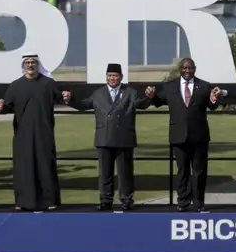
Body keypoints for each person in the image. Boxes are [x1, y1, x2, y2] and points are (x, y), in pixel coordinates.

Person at [63, 63, 148, 211]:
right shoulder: (99, 93)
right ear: (106, 77)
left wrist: (149, 97)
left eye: (115, 76)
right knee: (105, 173)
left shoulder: (130, 92)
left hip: (124, 138)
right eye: (109, 76)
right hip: (104, 137)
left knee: (125, 173)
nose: (112, 78)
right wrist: (70, 99)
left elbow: (141, 104)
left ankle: (126, 200)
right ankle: (105, 200)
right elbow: (84, 105)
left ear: (121, 77)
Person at [144, 58, 221, 211]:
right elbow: (158, 102)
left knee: (199, 171)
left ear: (194, 69)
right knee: (182, 171)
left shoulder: (204, 86)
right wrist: (151, 96)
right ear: (180, 69)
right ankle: (183, 202)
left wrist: (214, 99)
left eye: (190, 68)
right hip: (178, 136)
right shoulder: (170, 86)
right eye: (184, 68)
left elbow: (212, 106)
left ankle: (198, 202)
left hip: (199, 136)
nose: (187, 71)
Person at [0, 54, 64, 211]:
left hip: (44, 132)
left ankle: (49, 201)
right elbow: (7, 106)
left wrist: (68, 96)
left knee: (45, 166)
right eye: (27, 62)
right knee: (24, 167)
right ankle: (23, 201)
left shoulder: (48, 84)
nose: (30, 65)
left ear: (38, 64)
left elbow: (62, 98)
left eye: (33, 62)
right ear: (23, 65)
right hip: (22, 134)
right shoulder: (15, 85)